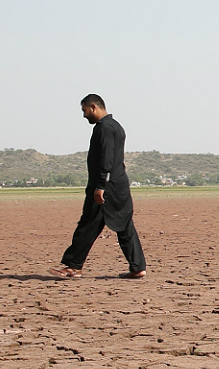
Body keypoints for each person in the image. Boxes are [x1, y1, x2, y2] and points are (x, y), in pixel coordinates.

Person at [51, 94, 147, 278]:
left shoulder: (104, 128)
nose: (84, 115)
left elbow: (107, 158)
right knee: (124, 227)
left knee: (88, 225)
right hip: (119, 186)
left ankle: (73, 266)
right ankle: (138, 267)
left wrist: (101, 185)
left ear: (93, 107)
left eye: (84, 111)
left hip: (106, 188)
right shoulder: (115, 126)